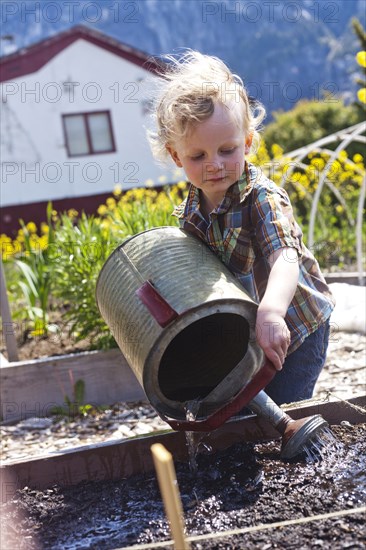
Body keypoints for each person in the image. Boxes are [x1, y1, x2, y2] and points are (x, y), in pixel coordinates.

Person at [147, 50, 335, 405]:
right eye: (198, 156)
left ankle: (299, 441)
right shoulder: (192, 213)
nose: (214, 165)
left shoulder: (261, 197)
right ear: (176, 157)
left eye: (227, 150)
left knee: (287, 402)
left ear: (247, 143)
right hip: (251, 333)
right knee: (245, 408)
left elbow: (284, 258)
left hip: (295, 324)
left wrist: (271, 310)